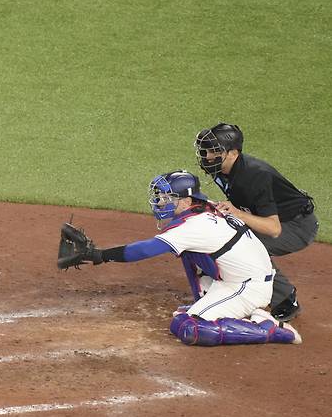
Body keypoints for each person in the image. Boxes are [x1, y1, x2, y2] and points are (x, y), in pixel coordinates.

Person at [57, 170, 301, 346]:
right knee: (187, 254)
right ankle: (214, 306)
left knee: (188, 327)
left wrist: (99, 255)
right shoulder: (203, 209)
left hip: (247, 287)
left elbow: (144, 250)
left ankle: (269, 329)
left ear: (185, 201)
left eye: (167, 198)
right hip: (238, 276)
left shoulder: (193, 226)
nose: (160, 202)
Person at [193, 123, 318, 321]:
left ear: (233, 153)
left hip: (296, 225)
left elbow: (273, 228)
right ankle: (220, 281)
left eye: (214, 151)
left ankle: (285, 299)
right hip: (270, 217)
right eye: (206, 150)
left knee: (248, 246)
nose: (207, 156)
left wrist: (238, 214)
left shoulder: (255, 176)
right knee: (219, 231)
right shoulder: (221, 168)